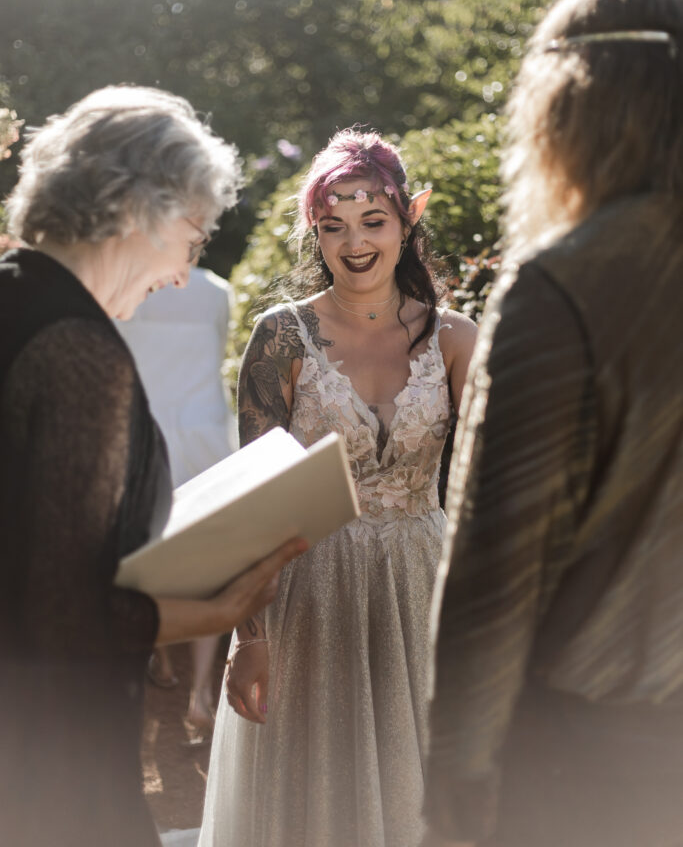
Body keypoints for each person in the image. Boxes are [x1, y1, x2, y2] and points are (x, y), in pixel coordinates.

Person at [0, 85, 306, 847]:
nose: (182, 274)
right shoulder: (79, 351)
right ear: (143, 210)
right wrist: (218, 612)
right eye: (194, 236)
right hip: (49, 764)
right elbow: (60, 617)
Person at [421, 0, 683, 847]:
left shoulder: (562, 284)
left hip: (591, 752)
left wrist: (454, 781)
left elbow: (495, 573)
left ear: (566, 100)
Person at [198, 129, 477, 847]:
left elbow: (485, 486)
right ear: (313, 233)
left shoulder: (456, 340)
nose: (353, 242)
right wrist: (247, 638)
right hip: (306, 591)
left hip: (421, 588)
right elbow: (253, 497)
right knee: (312, 795)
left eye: (372, 221)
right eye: (332, 226)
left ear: (408, 217)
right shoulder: (281, 338)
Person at [118, 265, 239, 741]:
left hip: (148, 428)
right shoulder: (219, 292)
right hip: (204, 428)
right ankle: (201, 693)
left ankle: (162, 657)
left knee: (147, 549)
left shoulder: (132, 285)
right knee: (207, 556)